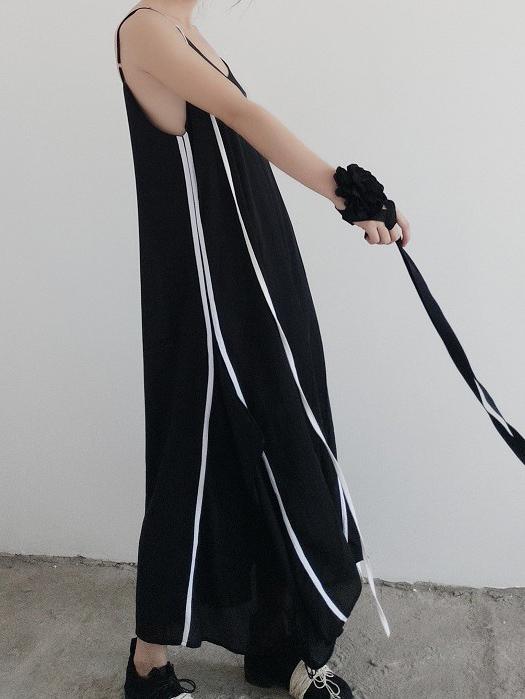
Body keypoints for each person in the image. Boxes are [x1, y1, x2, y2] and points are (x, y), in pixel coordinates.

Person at [114, 2, 411, 697]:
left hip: (258, 271)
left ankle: (279, 644)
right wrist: (350, 194)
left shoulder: (188, 31)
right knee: (198, 456)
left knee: (287, 439)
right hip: (209, 291)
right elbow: (242, 116)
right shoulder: (145, 28)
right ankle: (148, 662)